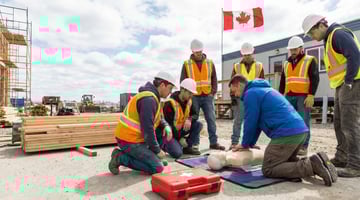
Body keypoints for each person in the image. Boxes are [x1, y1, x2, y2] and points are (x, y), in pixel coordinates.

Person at [229, 74, 337, 186]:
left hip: (286, 134)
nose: (236, 95)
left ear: (239, 84)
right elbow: (256, 125)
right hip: (300, 131)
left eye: (234, 91)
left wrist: (245, 143)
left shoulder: (250, 94)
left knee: (269, 169)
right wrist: (249, 144)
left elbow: (250, 121)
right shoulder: (264, 90)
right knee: (284, 162)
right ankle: (320, 161)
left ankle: (312, 166)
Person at [302, 14, 360, 177]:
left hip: (352, 83)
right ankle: (342, 157)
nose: (312, 37)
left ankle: (356, 165)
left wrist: (348, 80)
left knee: (350, 124)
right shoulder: (328, 39)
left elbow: (355, 55)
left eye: (312, 33)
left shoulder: (338, 34)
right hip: (342, 85)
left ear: (321, 25)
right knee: (339, 123)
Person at [108, 71, 176, 175]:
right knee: (157, 168)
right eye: (170, 88)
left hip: (136, 138)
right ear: (162, 85)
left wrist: (166, 126)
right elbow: (148, 130)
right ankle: (120, 158)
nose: (170, 92)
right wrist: (157, 150)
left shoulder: (154, 98)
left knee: (161, 132)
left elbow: (159, 118)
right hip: (128, 140)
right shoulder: (149, 100)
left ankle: (150, 157)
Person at [180, 39, 225, 150]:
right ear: (192, 51)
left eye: (200, 52)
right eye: (196, 52)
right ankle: (195, 143)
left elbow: (214, 78)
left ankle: (213, 142)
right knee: (194, 119)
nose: (198, 54)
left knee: (211, 119)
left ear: (202, 50)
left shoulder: (209, 63)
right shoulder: (187, 64)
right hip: (193, 96)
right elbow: (183, 80)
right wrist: (185, 96)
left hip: (207, 96)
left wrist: (213, 92)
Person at [279, 36, 320, 155]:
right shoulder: (286, 63)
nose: (292, 52)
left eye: (295, 49)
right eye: (291, 49)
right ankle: (291, 145)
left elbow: (315, 78)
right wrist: (280, 95)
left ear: (301, 48)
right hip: (289, 96)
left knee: (303, 122)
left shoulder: (309, 60)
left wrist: (311, 95)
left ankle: (303, 147)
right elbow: (283, 80)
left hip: (303, 96)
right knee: (288, 121)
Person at [229, 42, 264, 150]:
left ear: (252, 53)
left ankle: (250, 143)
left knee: (253, 120)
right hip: (240, 97)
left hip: (254, 98)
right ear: (242, 54)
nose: (247, 57)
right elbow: (233, 83)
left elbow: (262, 82)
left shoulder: (259, 66)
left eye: (248, 55)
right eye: (245, 55)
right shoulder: (237, 66)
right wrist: (233, 98)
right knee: (238, 120)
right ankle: (234, 143)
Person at [157, 78, 202, 156]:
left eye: (192, 94)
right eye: (190, 93)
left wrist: (189, 119)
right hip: (170, 132)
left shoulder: (190, 101)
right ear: (182, 90)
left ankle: (187, 148)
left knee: (198, 124)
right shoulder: (170, 103)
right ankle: (163, 145)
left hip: (180, 130)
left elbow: (195, 115)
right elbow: (168, 125)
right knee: (177, 153)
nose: (191, 96)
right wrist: (179, 139)